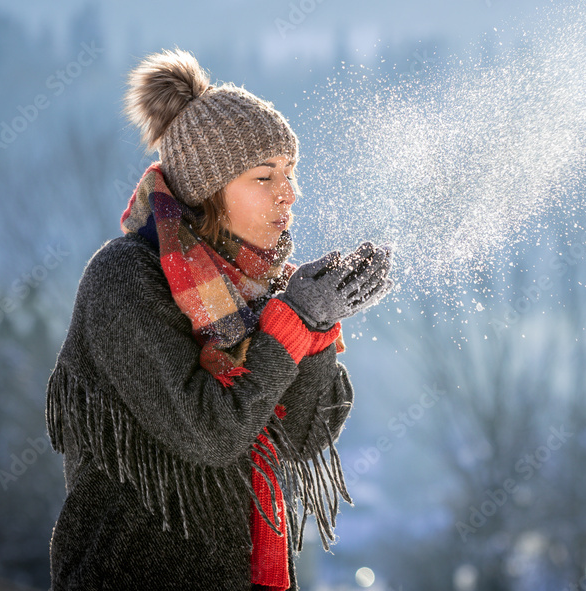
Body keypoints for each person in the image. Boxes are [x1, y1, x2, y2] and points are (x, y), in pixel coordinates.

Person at [45, 48, 393, 590]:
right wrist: (292, 324)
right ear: (209, 188)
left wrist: (318, 328)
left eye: (291, 172)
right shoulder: (125, 279)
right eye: (264, 176)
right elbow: (210, 434)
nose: (289, 193)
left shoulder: (262, 290)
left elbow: (300, 438)